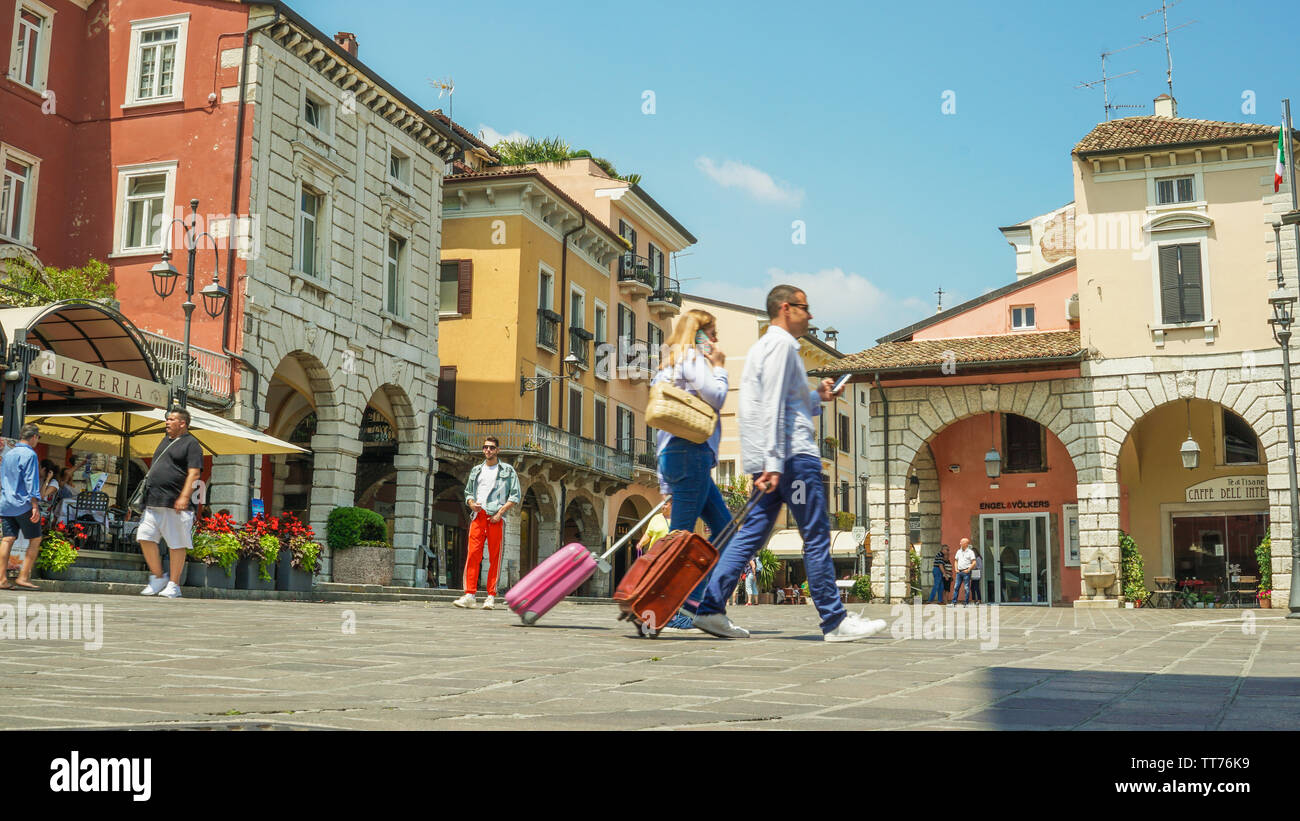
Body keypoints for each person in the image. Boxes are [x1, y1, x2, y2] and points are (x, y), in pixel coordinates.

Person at [691, 285, 887, 642]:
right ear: (786, 308)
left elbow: (786, 402)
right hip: (792, 456)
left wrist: (820, 397)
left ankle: (710, 610)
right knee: (815, 534)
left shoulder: (765, 348)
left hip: (773, 459)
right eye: (804, 308)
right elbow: (771, 407)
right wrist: (774, 462)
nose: (810, 316)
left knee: (749, 536)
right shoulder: (781, 347)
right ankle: (834, 620)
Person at [650, 308, 730, 632]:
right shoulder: (693, 361)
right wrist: (721, 367)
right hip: (691, 454)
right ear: (699, 334)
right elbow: (718, 396)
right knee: (681, 537)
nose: (716, 339)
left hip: (678, 455)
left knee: (724, 529)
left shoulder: (666, 365)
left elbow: (661, 425)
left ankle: (692, 602)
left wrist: (662, 476)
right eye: (712, 333)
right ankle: (668, 605)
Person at [138, 407, 204, 599]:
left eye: (171, 419)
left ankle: (174, 584)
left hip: (175, 503)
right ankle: (158, 577)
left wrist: (184, 496)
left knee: (176, 544)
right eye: (167, 419)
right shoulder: (165, 441)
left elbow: (194, 473)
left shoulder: (191, 444)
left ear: (182, 423)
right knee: (144, 537)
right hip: (153, 501)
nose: (167, 422)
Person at [453, 435, 520, 611]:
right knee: (473, 554)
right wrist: (470, 503)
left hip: (496, 517)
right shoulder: (476, 470)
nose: (488, 450)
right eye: (485, 447)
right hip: (478, 516)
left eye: (491, 447)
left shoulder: (507, 470)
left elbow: (515, 495)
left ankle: (491, 596)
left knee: (494, 557)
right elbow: (468, 492)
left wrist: (500, 513)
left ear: (497, 450)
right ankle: (469, 595)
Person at [0, 425, 45, 590]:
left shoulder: (9, 454)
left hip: (5, 503)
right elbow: (30, 481)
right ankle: (23, 576)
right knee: (35, 539)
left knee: (7, 539)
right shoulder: (30, 454)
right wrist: (35, 504)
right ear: (34, 437)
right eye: (38, 438)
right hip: (22, 504)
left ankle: (1, 579)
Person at [951, 537, 976, 606]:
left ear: (966, 544)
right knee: (956, 587)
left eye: (961, 542)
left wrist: (968, 569)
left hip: (966, 572)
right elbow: (956, 561)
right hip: (959, 572)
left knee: (966, 588)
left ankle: (966, 602)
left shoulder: (970, 552)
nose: (960, 543)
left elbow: (974, 562)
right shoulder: (958, 551)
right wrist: (956, 569)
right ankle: (954, 602)